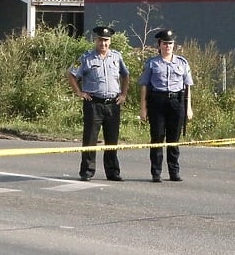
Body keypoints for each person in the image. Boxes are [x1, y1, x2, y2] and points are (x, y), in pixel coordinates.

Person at [67, 26, 130, 181]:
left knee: (112, 140)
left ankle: (113, 172)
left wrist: (123, 94)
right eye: (100, 40)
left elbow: (126, 75)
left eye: (106, 40)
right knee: (90, 139)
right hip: (94, 103)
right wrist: (79, 92)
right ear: (96, 40)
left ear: (110, 41)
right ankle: (87, 171)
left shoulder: (116, 57)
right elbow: (71, 74)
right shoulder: (86, 58)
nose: (103, 43)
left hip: (112, 104)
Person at [138, 29, 194, 182]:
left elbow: (188, 85)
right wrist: (143, 108)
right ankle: (156, 173)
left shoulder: (182, 62)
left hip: (177, 102)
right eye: (165, 43)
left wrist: (189, 107)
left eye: (170, 43)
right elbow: (144, 85)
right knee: (157, 137)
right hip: (157, 102)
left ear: (173, 45)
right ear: (160, 45)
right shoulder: (152, 63)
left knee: (173, 139)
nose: (167, 46)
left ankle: (174, 172)